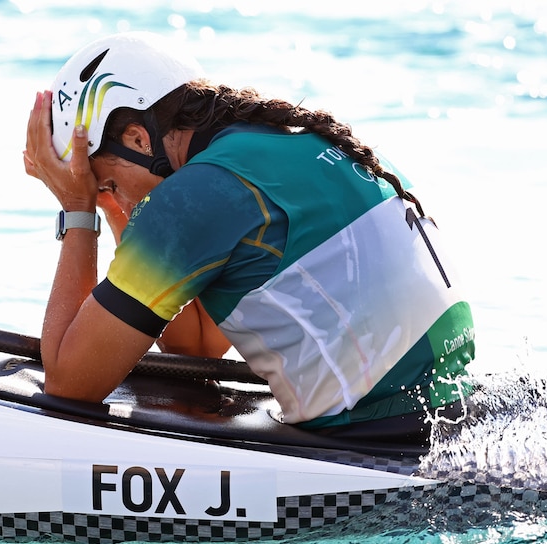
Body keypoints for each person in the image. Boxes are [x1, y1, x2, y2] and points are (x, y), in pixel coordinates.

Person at [24, 31, 475, 441]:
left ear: (139, 139)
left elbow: (69, 383)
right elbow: (195, 345)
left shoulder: (198, 194)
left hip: (378, 436)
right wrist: (109, 203)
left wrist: (77, 210)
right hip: (447, 409)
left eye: (109, 185)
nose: (118, 203)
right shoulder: (286, 140)